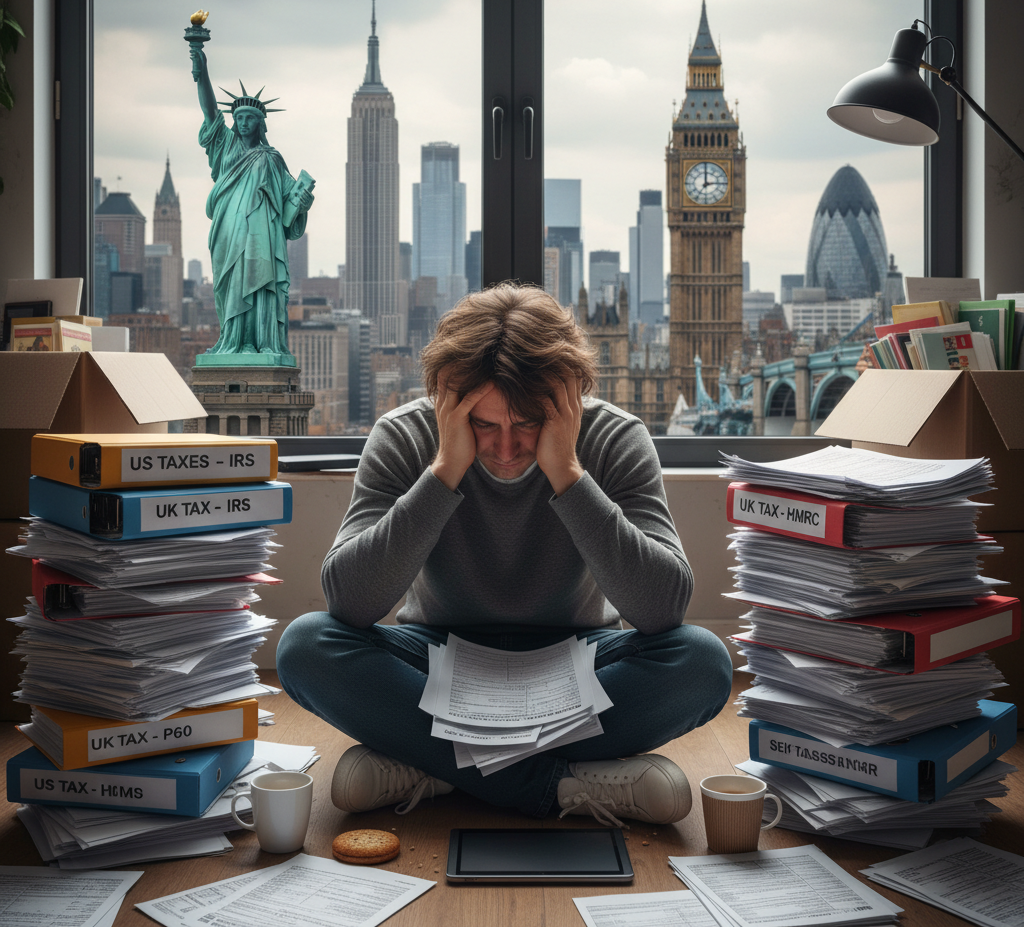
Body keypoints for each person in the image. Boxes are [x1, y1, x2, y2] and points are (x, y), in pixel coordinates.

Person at [277, 283, 733, 825]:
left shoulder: (614, 438)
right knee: (305, 646)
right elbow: (351, 603)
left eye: (528, 423)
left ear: (569, 398)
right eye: (485, 424)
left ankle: (436, 767)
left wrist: (568, 473)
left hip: (578, 663)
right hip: (437, 660)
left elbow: (662, 609)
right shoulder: (403, 436)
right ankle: (558, 786)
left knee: (703, 662)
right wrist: (445, 470)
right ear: (446, 396)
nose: (508, 449)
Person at [189, 41, 313, 359]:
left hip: (261, 235)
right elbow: (209, 109)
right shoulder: (225, 145)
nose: (243, 122)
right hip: (228, 228)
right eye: (239, 117)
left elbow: (289, 205)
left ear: (260, 123)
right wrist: (200, 67)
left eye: (249, 118)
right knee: (229, 282)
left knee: (259, 284)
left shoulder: (272, 158)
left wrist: (302, 201)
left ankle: (259, 342)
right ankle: (231, 339)